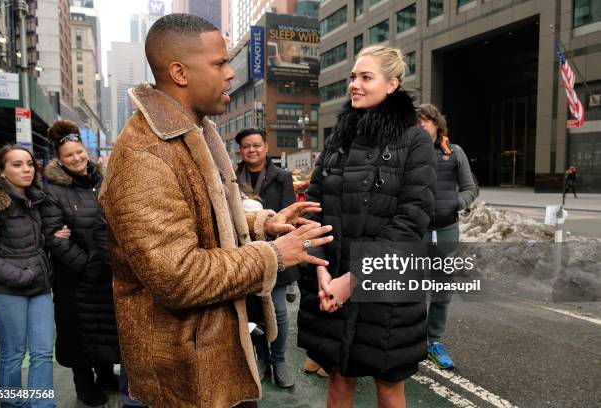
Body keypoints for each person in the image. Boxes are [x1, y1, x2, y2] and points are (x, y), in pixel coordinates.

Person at [98, 14, 333, 408]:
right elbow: (177, 276)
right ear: (179, 72)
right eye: (220, 63)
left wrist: (264, 223)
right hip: (183, 378)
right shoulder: (144, 156)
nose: (230, 74)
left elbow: (209, 215)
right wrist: (273, 255)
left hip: (214, 359)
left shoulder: (198, 131)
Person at [297, 45, 437, 408]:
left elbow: (413, 219)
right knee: (339, 380)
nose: (354, 85)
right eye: (352, 77)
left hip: (384, 284)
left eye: (365, 77)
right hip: (333, 278)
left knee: (389, 387)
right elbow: (312, 207)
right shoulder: (339, 138)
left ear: (392, 85)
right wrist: (323, 270)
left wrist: (353, 280)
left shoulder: (414, 140)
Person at [40, 120, 130, 407]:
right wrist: (86, 265)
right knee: (78, 331)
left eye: (79, 152)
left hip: (106, 269)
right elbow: (56, 238)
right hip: (75, 277)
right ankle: (83, 383)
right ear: (60, 159)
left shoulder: (103, 181)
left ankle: (104, 374)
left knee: (105, 327)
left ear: (85, 150)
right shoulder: (53, 190)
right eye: (69, 155)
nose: (76, 159)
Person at [0, 144, 57, 408]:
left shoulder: (36, 200)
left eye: (29, 163)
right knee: (12, 355)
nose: (26, 169)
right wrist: (21, 276)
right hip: (7, 290)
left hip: (39, 287)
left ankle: (42, 405)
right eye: (17, 164)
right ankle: (12, 405)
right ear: (2, 171)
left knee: (42, 352)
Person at [235, 127, 301, 388]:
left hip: (278, 252)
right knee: (253, 312)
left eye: (256, 145)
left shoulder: (282, 176)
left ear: (265, 146)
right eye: (246, 146)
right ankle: (261, 358)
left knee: (279, 310)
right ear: (240, 150)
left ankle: (280, 360)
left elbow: (289, 216)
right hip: (246, 255)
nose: (251, 150)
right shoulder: (231, 176)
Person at [417, 103, 478, 370]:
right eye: (416, 121)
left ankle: (434, 341)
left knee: (442, 289)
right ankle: (411, 341)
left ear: (437, 124)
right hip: (414, 232)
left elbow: (470, 187)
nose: (420, 125)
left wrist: (455, 202)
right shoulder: (408, 154)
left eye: (425, 121)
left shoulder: (455, 153)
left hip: (445, 231)